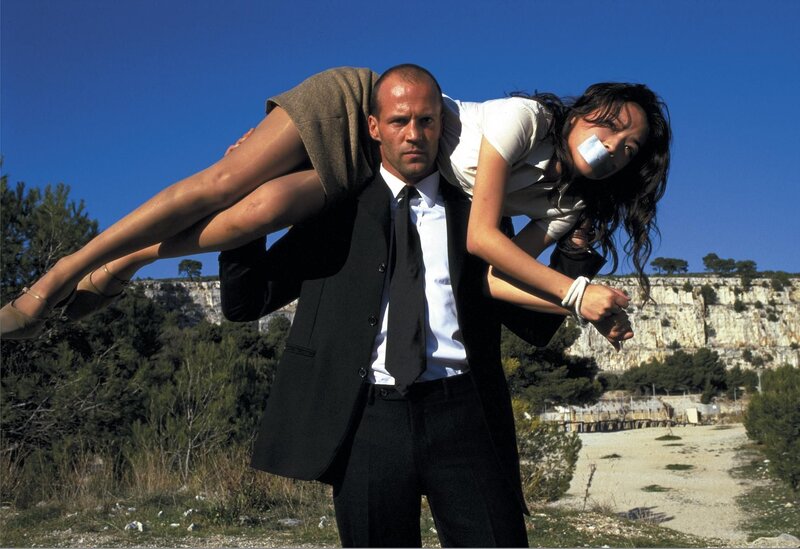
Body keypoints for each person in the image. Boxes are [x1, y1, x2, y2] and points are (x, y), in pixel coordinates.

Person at [217, 64, 632, 547]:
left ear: (443, 124)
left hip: (467, 414)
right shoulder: (335, 210)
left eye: (427, 121)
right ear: (374, 127)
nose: (414, 135)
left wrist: (576, 249)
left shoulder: (481, 214)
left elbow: (530, 325)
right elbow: (245, 301)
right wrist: (244, 202)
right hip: (365, 421)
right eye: (399, 121)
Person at [0, 65, 670, 339]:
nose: (613, 145)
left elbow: (494, 279)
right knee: (224, 184)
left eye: (630, 148)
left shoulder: (564, 206)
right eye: (611, 124)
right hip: (365, 107)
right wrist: (575, 292)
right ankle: (58, 275)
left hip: (376, 163)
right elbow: (483, 238)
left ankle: (126, 262)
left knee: (256, 215)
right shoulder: (527, 120)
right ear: (585, 108)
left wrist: (577, 304)